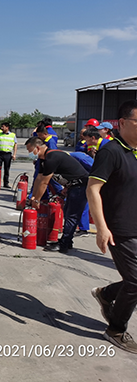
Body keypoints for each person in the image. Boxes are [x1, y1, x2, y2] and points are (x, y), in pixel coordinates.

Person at [87, 99, 137, 354]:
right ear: (122, 123)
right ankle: (116, 329)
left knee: (134, 279)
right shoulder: (111, 151)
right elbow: (93, 189)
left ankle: (106, 294)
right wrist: (102, 228)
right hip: (120, 228)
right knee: (136, 281)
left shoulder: (135, 152)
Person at [26, 137, 88, 253]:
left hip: (80, 187)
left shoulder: (52, 157)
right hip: (73, 186)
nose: (30, 154)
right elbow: (38, 179)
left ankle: (64, 244)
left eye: (30, 151)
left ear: (37, 148)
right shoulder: (44, 159)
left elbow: (45, 182)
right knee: (68, 214)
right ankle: (67, 241)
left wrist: (37, 200)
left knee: (71, 216)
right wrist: (33, 196)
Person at [0, 121, 17, 188]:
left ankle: (6, 183)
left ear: (7, 127)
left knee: (7, 169)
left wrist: (14, 154)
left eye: (3, 127)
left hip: (8, 154)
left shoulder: (13, 135)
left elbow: (15, 145)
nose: (1, 128)